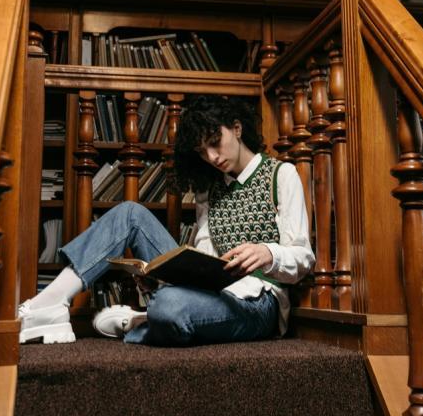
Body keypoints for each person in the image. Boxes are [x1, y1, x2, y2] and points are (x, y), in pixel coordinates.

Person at [17, 95, 314, 346]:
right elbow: (206, 257)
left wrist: (268, 253)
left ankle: (140, 321)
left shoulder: (280, 175)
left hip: (258, 302)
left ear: (236, 129)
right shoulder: (208, 189)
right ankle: (51, 303)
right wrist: (161, 272)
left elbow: (303, 258)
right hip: (212, 290)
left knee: (170, 306)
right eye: (202, 151)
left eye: (215, 142)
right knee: (130, 214)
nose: (212, 156)